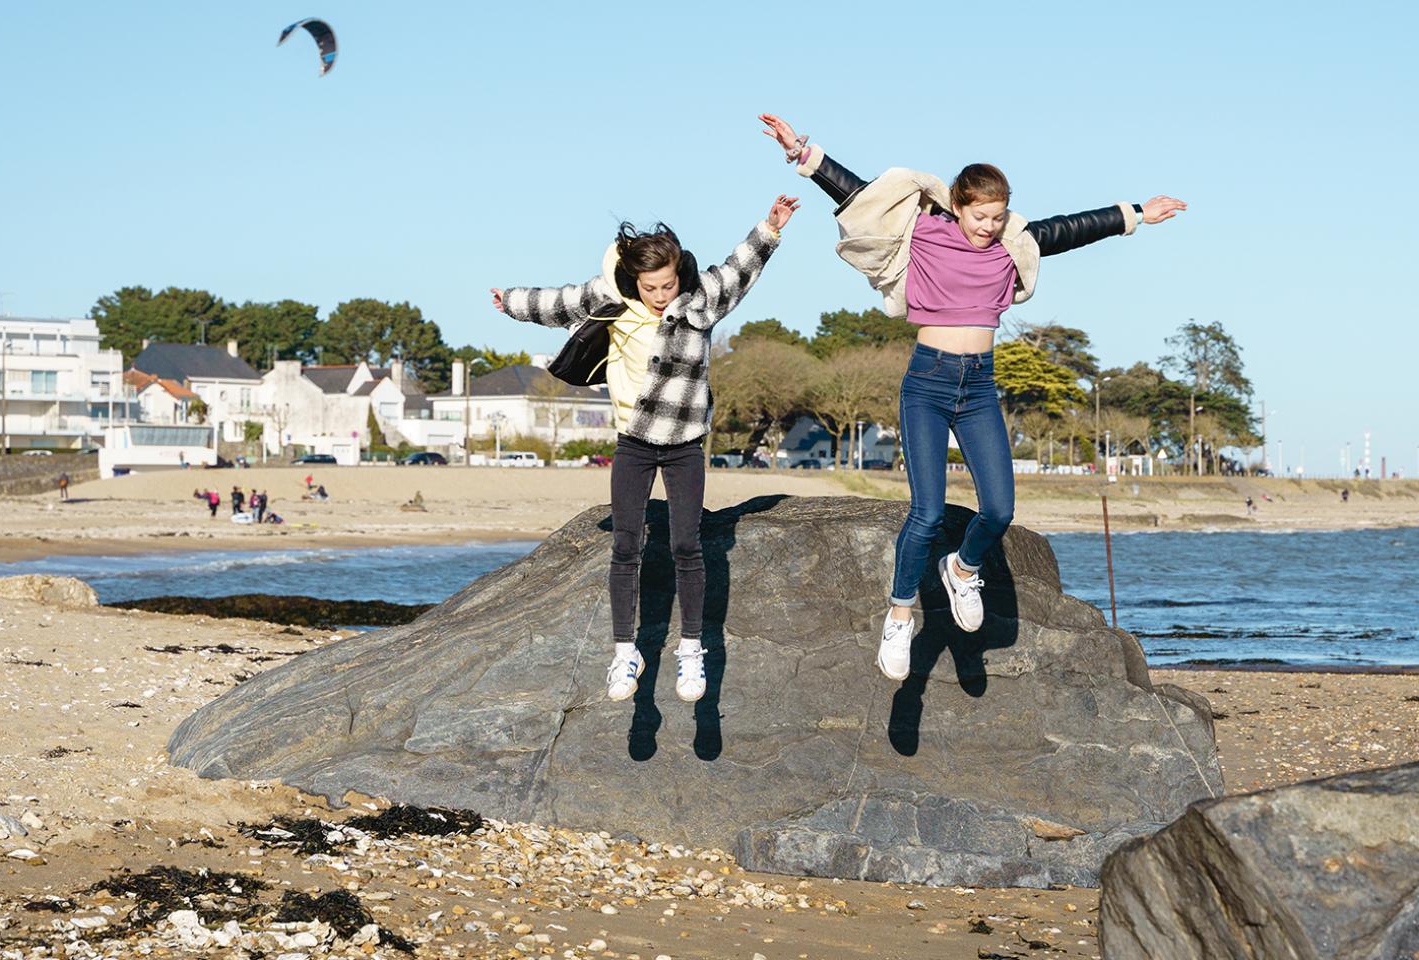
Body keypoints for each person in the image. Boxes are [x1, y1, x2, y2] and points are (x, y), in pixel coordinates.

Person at [760, 113, 1186, 680]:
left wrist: (1136, 214)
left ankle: (962, 569)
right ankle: (900, 612)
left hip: (979, 386)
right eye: (980, 216)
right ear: (957, 207)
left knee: (1000, 509)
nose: (989, 226)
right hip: (927, 382)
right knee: (928, 511)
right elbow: (859, 192)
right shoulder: (927, 231)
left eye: (998, 216)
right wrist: (804, 152)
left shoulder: (1011, 243)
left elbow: (1069, 229)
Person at [492, 194, 797, 704]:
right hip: (633, 443)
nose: (661, 295)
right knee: (626, 546)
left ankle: (692, 648)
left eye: (668, 285)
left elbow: (739, 272)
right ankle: (624, 651)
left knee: (685, 545)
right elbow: (559, 302)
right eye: (652, 287)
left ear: (680, 275)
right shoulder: (611, 299)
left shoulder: (700, 300)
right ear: (635, 281)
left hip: (684, 443)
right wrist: (512, 303)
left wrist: (769, 228)